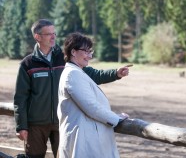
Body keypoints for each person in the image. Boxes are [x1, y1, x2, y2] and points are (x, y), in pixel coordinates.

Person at [14, 19, 131, 158]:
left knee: (65, 154)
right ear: (37, 37)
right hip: (36, 124)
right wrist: (21, 126)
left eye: (54, 33)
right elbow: (20, 97)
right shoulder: (27, 64)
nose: (53, 37)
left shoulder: (64, 58)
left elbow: (91, 74)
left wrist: (115, 73)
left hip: (61, 123)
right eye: (48, 34)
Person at [57, 32, 128, 158]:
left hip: (85, 137)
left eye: (91, 52)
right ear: (73, 52)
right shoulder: (72, 74)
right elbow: (91, 107)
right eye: (86, 51)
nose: (90, 56)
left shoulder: (77, 71)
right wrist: (116, 119)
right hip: (82, 141)